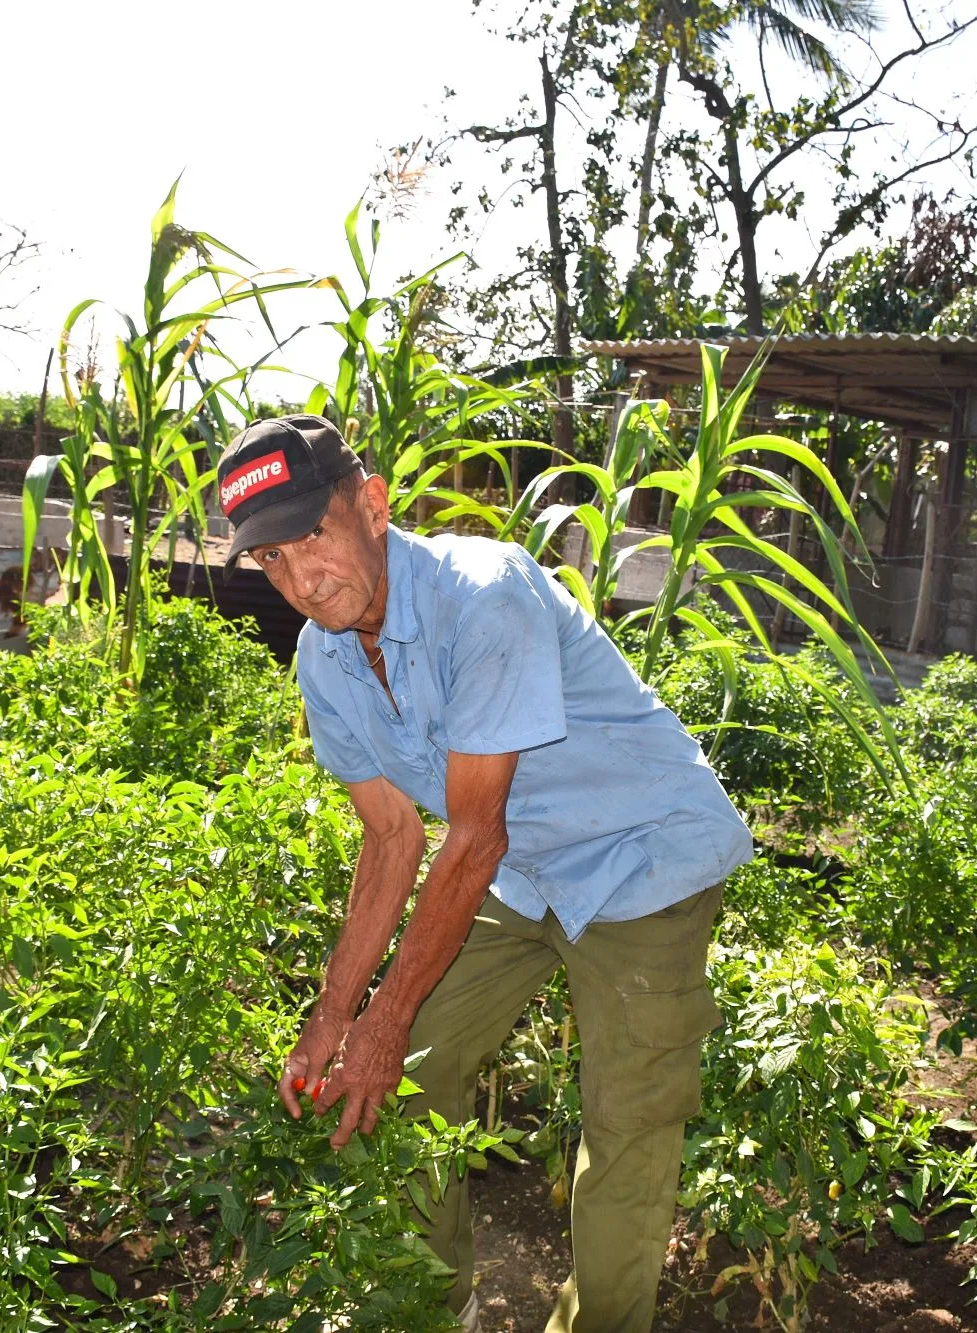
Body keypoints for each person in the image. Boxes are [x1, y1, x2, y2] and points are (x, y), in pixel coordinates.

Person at [219, 414, 752, 1333]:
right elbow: (389, 839)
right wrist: (332, 1019)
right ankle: (441, 1304)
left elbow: (470, 843)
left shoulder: (484, 596)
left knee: (625, 1123)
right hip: (526, 867)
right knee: (410, 1073)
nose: (302, 577)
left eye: (314, 535)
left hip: (642, 854)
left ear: (374, 506)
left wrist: (379, 1023)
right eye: (273, 557)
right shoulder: (325, 658)